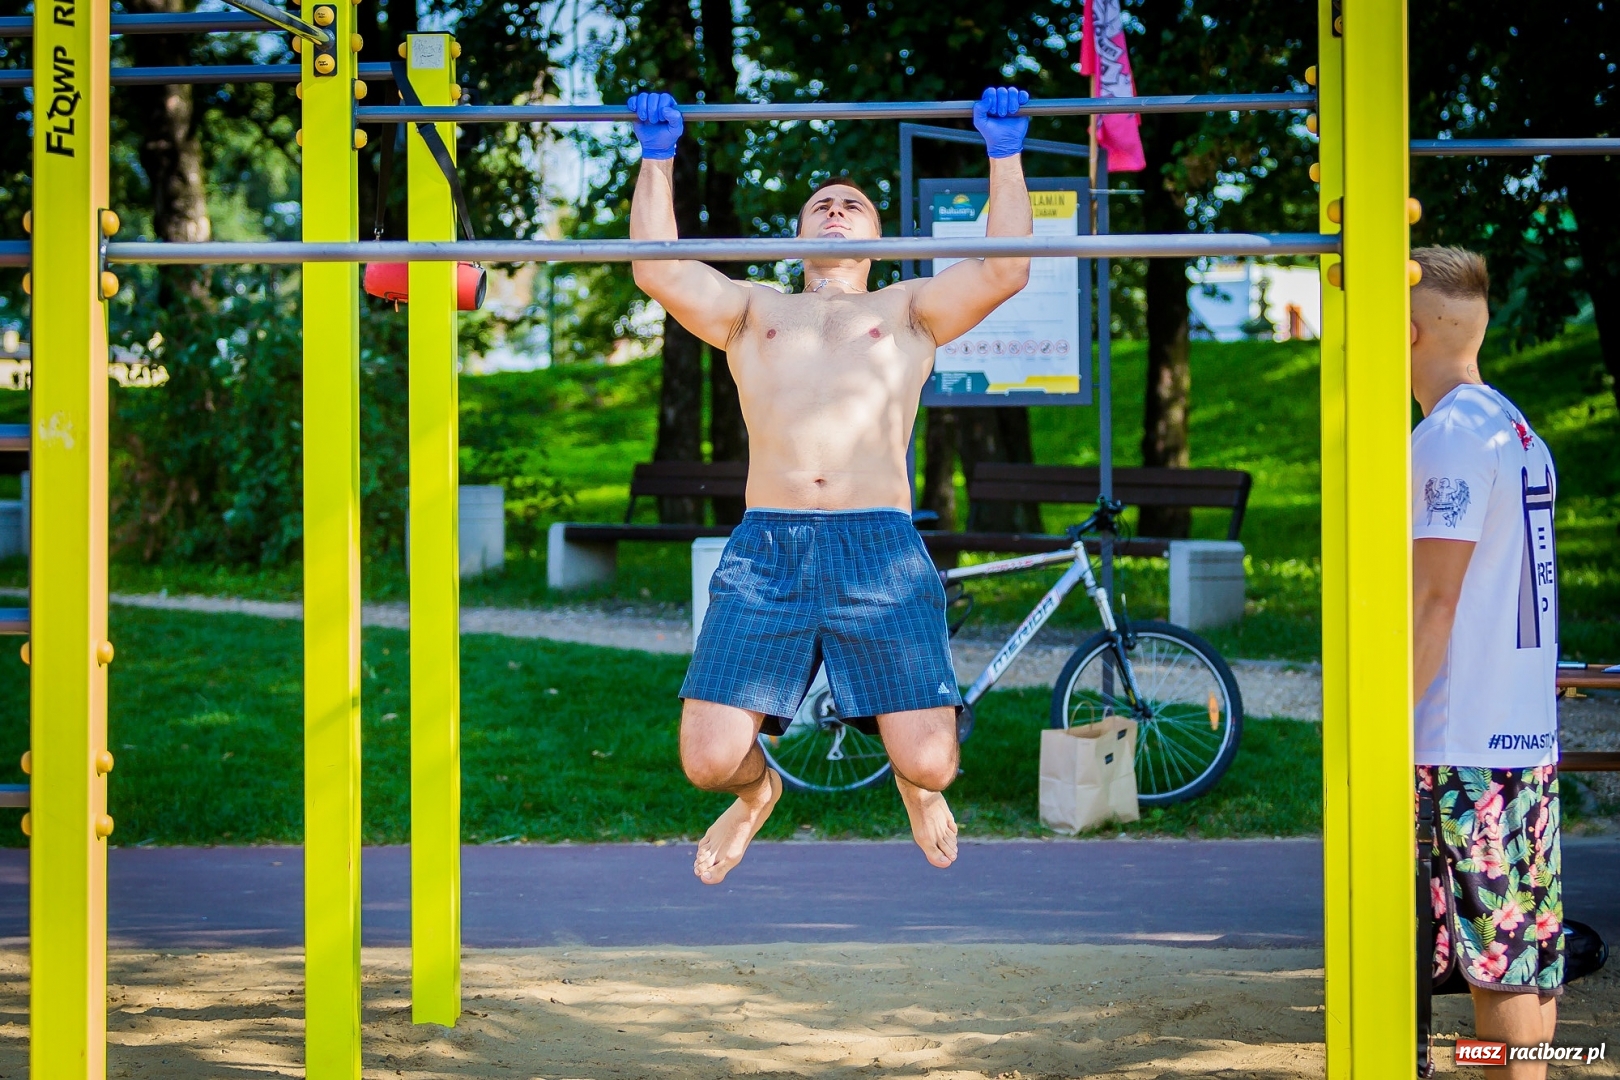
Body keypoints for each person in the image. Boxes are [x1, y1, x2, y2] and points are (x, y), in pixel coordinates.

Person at [626, 87, 1035, 884]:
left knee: (933, 764)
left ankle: (916, 791)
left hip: (876, 548)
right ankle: (757, 795)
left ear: (880, 238)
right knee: (710, 760)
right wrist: (656, 158)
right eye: (823, 203)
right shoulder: (752, 310)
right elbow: (656, 268)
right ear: (799, 234)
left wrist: (1006, 154)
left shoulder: (910, 308)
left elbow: (1008, 267)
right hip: (768, 550)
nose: (838, 209)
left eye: (854, 204)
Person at [1410, 246, 1562, 1075]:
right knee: (1522, 953)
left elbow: (1435, 600)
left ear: (1402, 331)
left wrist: (1385, 728)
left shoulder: (1448, 440)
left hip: (1462, 739)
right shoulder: (1511, 423)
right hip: (1518, 734)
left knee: (1494, 963)